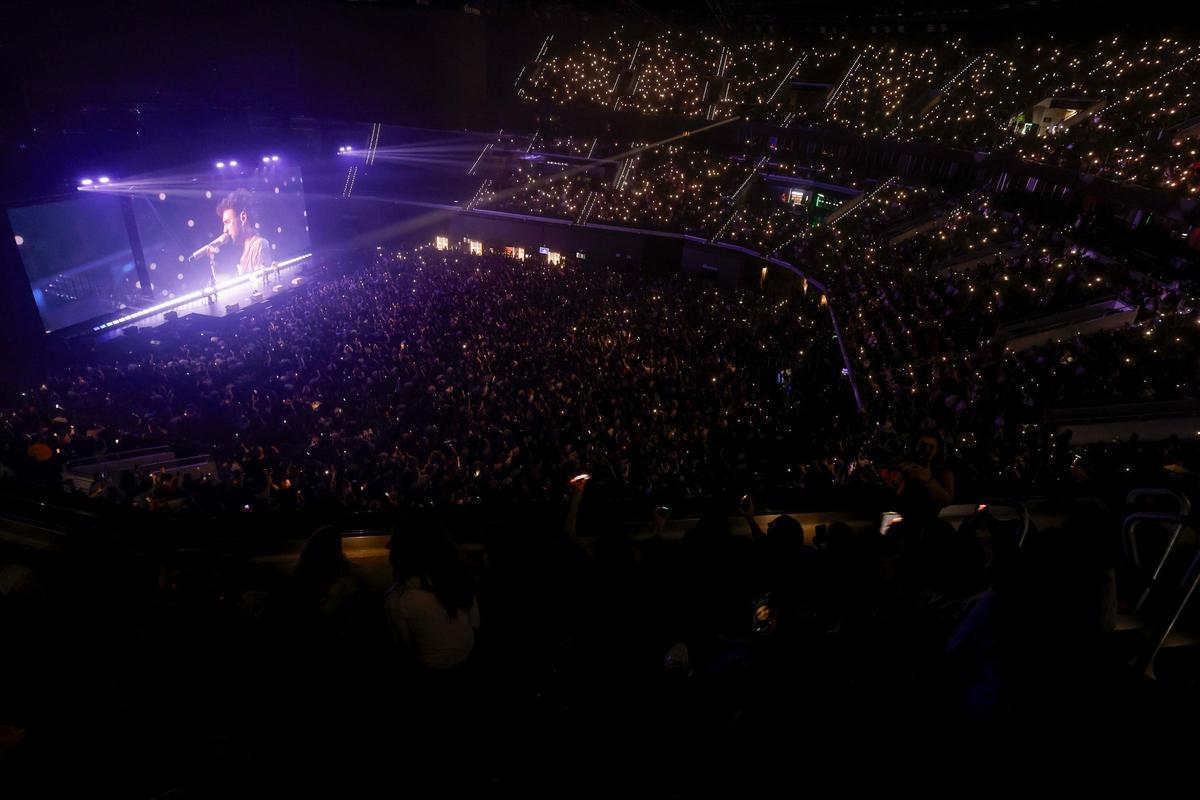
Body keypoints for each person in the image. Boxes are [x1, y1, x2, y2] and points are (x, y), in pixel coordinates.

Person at [384, 528, 480, 670]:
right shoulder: (461, 581)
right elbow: (475, 623)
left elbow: (404, 645)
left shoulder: (398, 599)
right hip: (468, 658)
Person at [214, 188, 272, 276]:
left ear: (243, 218)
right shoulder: (244, 255)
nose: (224, 230)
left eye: (227, 222)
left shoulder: (259, 245)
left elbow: (263, 286)